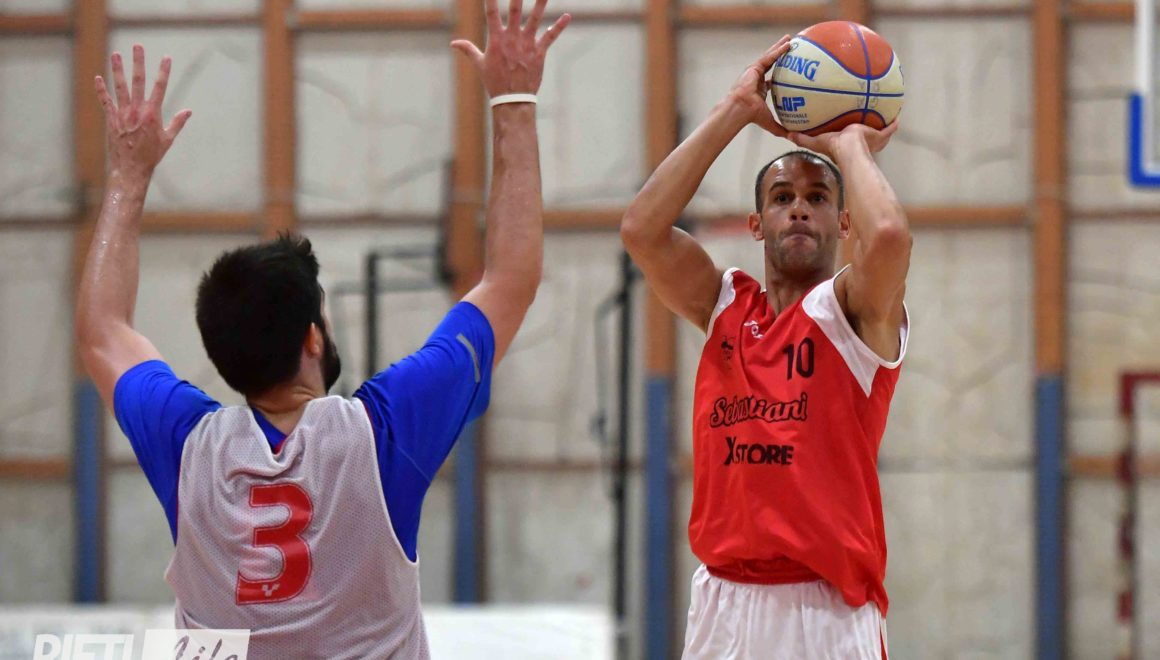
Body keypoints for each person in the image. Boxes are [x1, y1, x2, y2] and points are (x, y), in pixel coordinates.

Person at [74, 1, 570, 656]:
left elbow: (103, 330)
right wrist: (513, 102)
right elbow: (510, 280)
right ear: (313, 337)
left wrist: (128, 179)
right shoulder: (380, 433)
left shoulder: (189, 446)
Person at [621, 35, 910, 659]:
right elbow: (641, 229)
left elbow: (889, 235)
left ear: (843, 223)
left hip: (824, 610)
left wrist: (848, 142)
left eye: (817, 198)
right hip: (723, 603)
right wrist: (736, 110)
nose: (799, 210)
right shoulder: (725, 305)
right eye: (782, 199)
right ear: (757, 225)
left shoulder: (853, 313)